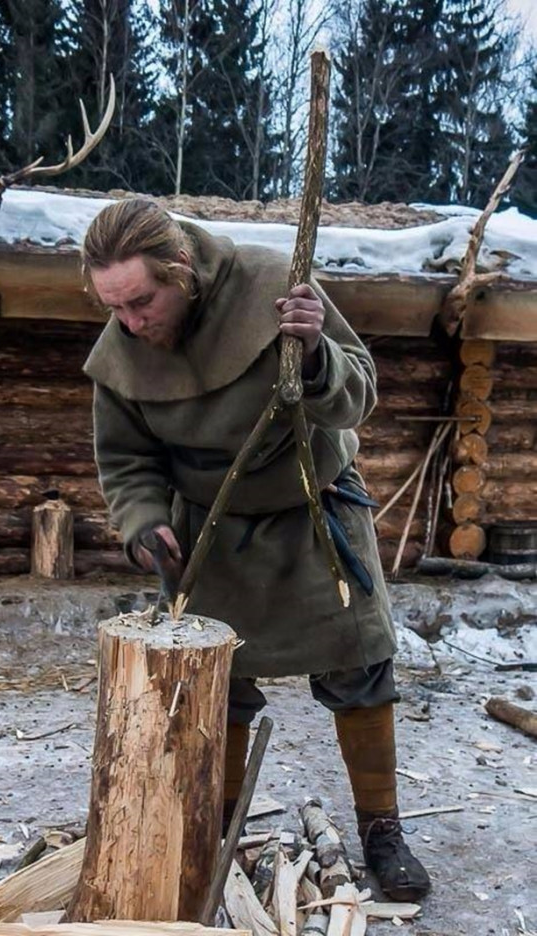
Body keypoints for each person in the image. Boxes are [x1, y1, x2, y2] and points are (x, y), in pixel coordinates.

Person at [81, 197, 431, 902]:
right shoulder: (122, 353)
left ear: (180, 269)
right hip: (213, 533)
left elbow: (359, 394)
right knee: (215, 686)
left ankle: (382, 830)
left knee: (360, 668)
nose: (131, 322)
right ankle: (210, 832)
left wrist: (316, 357)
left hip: (313, 511)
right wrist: (146, 522)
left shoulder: (275, 284)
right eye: (113, 308)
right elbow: (126, 462)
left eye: (142, 302)